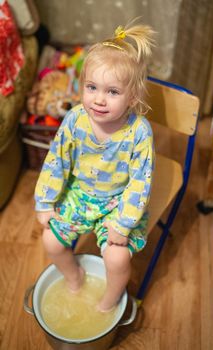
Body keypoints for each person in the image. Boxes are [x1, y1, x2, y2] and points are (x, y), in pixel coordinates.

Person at [35, 22, 155, 312]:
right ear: (82, 86)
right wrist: (45, 200)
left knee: (117, 258)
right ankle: (74, 278)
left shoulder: (138, 132)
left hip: (118, 200)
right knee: (51, 240)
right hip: (81, 192)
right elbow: (56, 160)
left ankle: (108, 303)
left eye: (112, 92)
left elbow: (141, 181)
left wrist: (123, 224)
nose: (99, 99)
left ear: (133, 98)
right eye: (92, 88)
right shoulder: (76, 120)